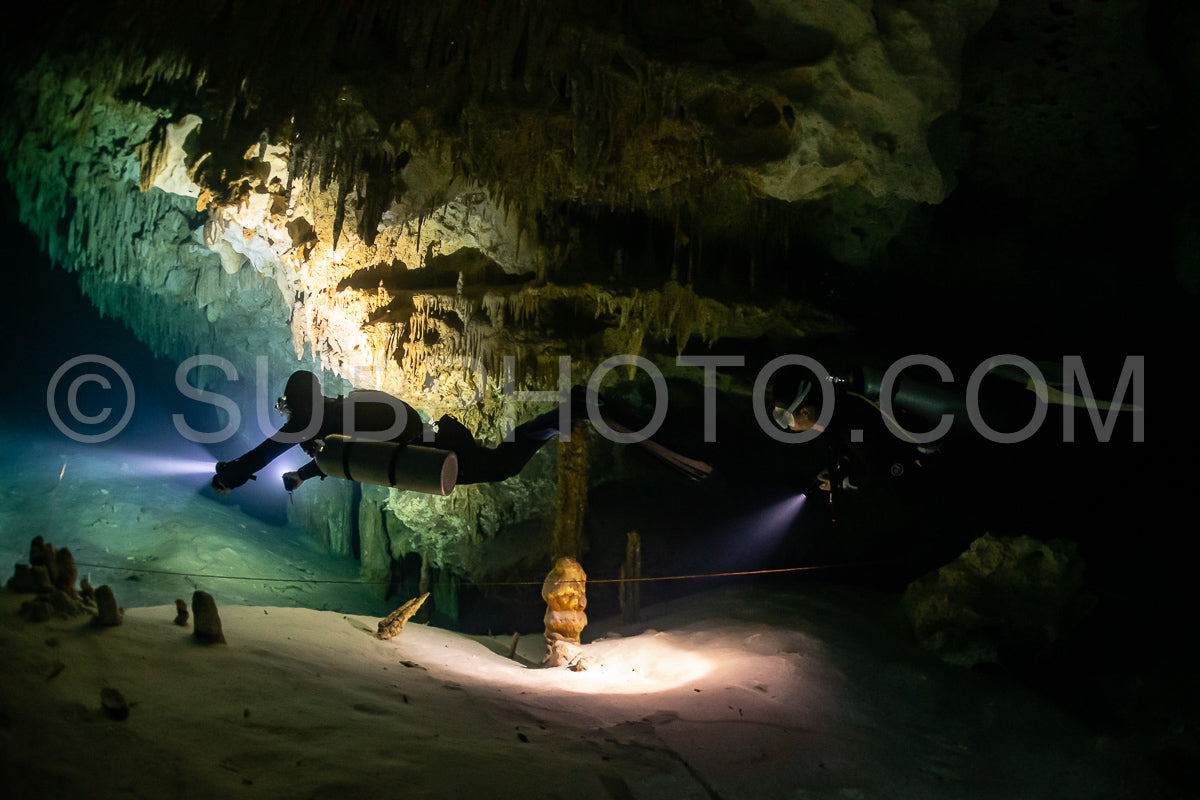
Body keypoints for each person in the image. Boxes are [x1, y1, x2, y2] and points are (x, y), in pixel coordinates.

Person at [211, 370, 591, 495]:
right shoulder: (333, 413)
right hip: (426, 444)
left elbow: (264, 452)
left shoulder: (315, 421)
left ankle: (565, 415)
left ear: (298, 402)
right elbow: (344, 456)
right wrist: (304, 474)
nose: (291, 417)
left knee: (501, 466)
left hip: (427, 449)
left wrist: (230, 475)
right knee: (499, 464)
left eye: (290, 408)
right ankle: (563, 417)